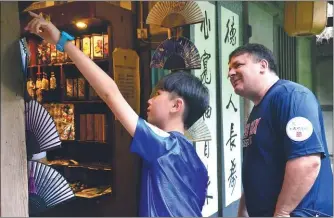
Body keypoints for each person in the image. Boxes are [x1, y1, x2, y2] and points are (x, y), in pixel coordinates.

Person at [25, 11, 209, 217]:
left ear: (176, 106)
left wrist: (62, 40)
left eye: (157, 94)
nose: (149, 100)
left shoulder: (165, 146)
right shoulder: (196, 162)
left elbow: (109, 93)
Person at [227, 43, 333, 217]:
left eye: (238, 65)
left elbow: (307, 161)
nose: (230, 73)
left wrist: (282, 212)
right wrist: (244, 210)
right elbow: (258, 164)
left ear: (263, 66)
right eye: (229, 68)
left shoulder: (291, 96)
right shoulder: (258, 109)